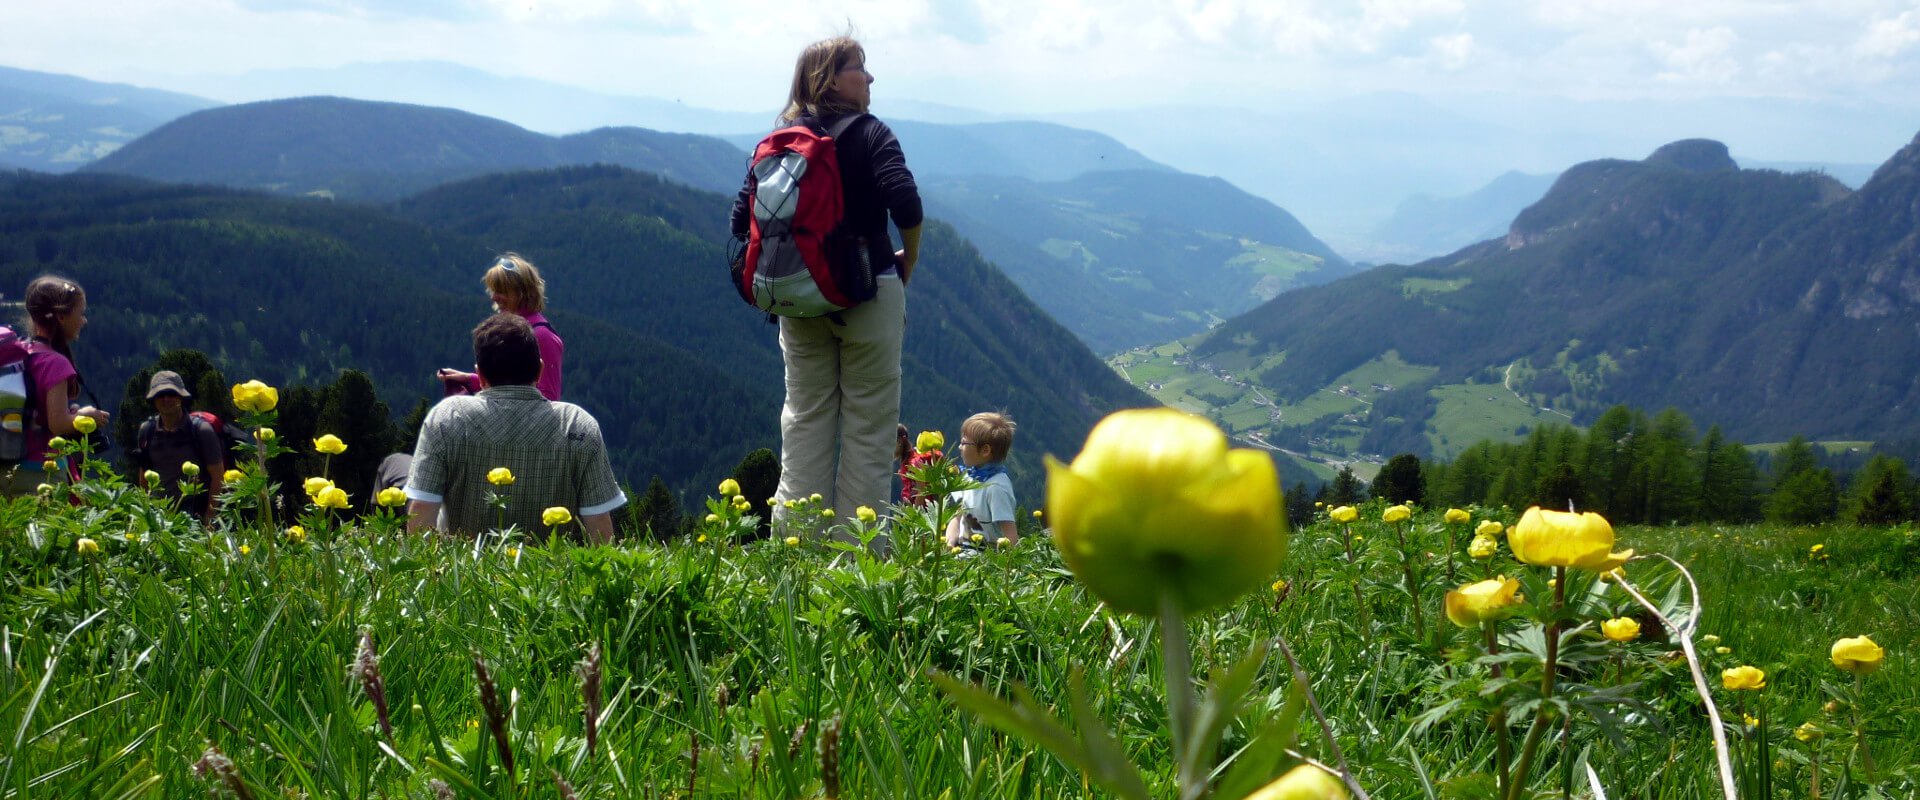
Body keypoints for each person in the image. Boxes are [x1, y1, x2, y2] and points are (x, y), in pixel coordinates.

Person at [730, 34, 922, 529]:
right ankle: (855, 571)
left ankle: (796, 559)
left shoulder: (780, 143)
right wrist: (910, 261)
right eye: (860, 66)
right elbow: (906, 203)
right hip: (867, 293)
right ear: (831, 78)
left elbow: (739, 221)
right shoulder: (870, 132)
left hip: (798, 300)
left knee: (804, 425)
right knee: (869, 434)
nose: (870, 77)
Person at [406, 313, 624, 541]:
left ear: (479, 375)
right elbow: (598, 523)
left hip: (463, 569)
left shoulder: (447, 417)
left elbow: (422, 508)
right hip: (550, 571)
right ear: (540, 371)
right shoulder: (577, 425)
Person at [2, 276, 109, 495]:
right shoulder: (55, 363)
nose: (84, 320)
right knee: (45, 528)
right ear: (61, 316)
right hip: (40, 471)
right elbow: (58, 424)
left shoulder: (21, 353)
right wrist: (87, 415)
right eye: (80, 313)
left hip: (5, 464)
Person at [437, 253, 564, 401]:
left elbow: (549, 398)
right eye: (493, 290)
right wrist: (469, 379)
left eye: (501, 291)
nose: (494, 297)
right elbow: (511, 386)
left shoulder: (541, 336)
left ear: (523, 293)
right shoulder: (515, 330)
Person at [130, 370, 225, 520]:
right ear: (153, 399)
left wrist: (210, 515)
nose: (166, 399)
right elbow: (144, 475)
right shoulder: (146, 430)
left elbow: (218, 476)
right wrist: (145, 511)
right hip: (159, 512)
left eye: (171, 393)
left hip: (195, 512)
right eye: (160, 395)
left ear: (181, 397)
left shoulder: (201, 430)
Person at [944, 412, 1018, 549]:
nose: (960, 447)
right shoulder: (967, 477)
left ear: (985, 450)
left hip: (987, 562)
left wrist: (1005, 567)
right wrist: (949, 543)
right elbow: (957, 516)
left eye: (963, 443)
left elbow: (1010, 536)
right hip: (961, 555)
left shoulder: (996, 487)